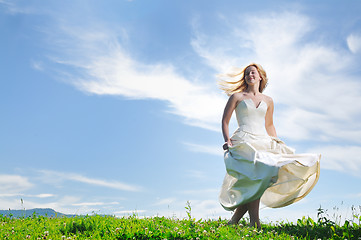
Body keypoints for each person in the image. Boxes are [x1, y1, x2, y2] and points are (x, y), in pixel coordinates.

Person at [218, 63, 320, 228]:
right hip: (244, 142)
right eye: (247, 74)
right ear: (245, 78)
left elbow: (269, 125)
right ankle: (254, 222)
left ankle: (235, 221)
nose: (250, 75)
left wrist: (277, 142)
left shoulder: (269, 100)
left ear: (260, 77)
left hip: (263, 141)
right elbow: (225, 120)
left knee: (261, 177)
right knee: (255, 178)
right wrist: (227, 139)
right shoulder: (237, 97)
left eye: (253, 72)